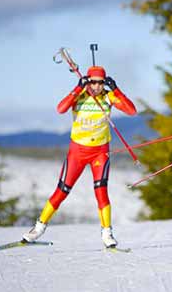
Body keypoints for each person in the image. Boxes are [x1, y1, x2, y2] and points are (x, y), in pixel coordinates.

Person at [22, 65, 137, 248]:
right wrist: (77, 88)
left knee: (101, 191)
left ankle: (107, 233)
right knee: (62, 191)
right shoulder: (80, 96)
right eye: (93, 82)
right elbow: (61, 109)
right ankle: (38, 227)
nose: (97, 86)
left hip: (100, 152)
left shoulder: (108, 96)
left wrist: (116, 89)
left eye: (101, 83)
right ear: (87, 81)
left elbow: (132, 111)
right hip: (77, 152)